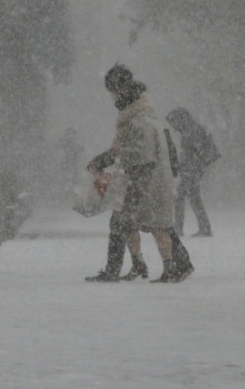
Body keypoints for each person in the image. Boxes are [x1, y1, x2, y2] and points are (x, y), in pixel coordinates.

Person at [85, 64, 194, 283]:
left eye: (113, 91)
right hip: (147, 179)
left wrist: (110, 162)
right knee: (152, 224)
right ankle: (168, 264)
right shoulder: (141, 115)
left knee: (138, 223)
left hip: (143, 181)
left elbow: (137, 153)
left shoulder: (138, 119)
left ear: (121, 90)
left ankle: (123, 269)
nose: (112, 97)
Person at [166, 107, 219, 236]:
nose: (174, 127)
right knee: (193, 199)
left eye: (174, 123)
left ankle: (180, 229)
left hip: (191, 171)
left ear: (180, 119)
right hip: (192, 170)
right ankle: (204, 228)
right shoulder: (191, 129)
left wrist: (187, 167)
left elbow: (192, 154)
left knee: (182, 198)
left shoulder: (191, 131)